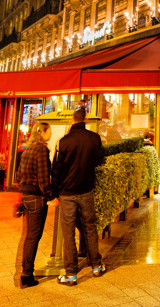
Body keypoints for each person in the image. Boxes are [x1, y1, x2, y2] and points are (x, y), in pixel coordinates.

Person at [51, 108, 106, 286]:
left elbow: (56, 170)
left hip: (67, 193)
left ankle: (71, 274)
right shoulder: (94, 138)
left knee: (68, 232)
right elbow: (99, 160)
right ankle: (96, 266)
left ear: (72, 120)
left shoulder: (64, 141)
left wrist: (54, 192)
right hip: (87, 190)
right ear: (86, 119)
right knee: (90, 228)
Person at [13, 122, 53, 289]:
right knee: (33, 237)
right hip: (37, 197)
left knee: (29, 236)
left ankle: (26, 272)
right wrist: (51, 196)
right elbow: (44, 179)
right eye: (49, 131)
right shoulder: (42, 151)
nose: (51, 134)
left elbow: (19, 174)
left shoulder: (28, 148)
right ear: (42, 133)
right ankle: (27, 274)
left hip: (26, 197)